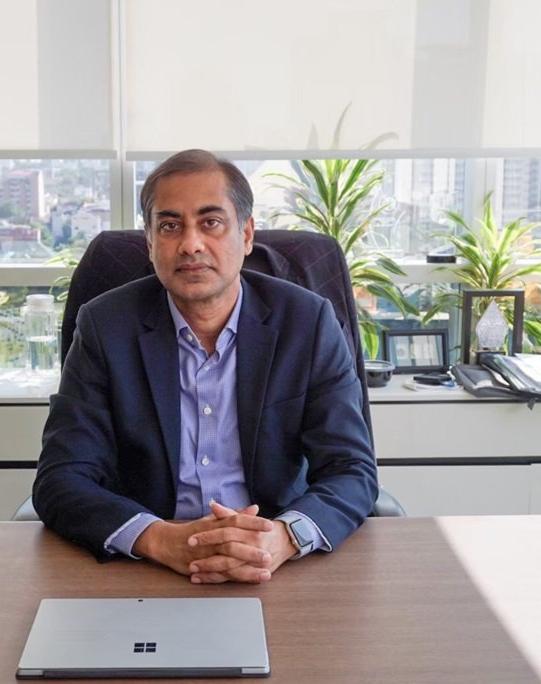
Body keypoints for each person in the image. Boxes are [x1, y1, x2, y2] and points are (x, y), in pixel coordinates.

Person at [33, 149, 378, 584]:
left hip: (275, 563)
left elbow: (352, 469)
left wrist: (284, 538)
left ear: (246, 235)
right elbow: (62, 477)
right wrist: (159, 539)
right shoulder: (105, 327)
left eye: (211, 222)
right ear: (150, 243)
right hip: (147, 567)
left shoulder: (307, 323)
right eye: (170, 226)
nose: (191, 244)